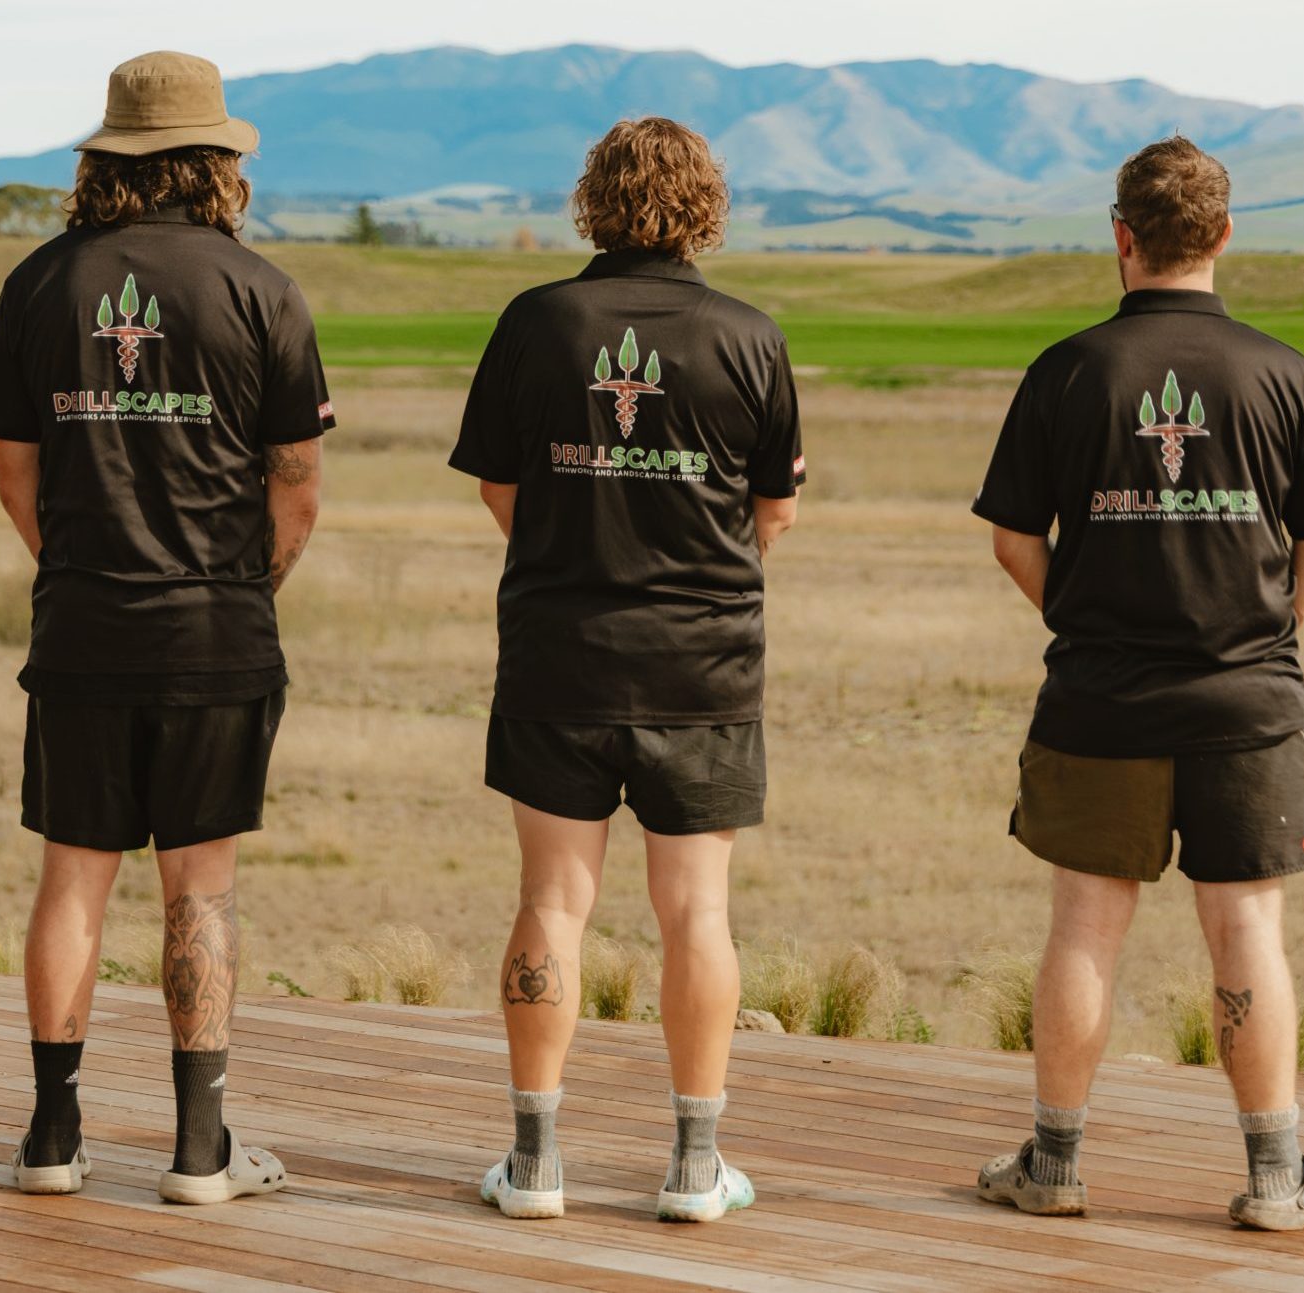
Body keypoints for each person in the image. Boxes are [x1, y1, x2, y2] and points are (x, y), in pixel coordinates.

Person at [970, 136, 1304, 1231]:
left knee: (1082, 930)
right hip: (1245, 704)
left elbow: (1013, 542)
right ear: (1223, 236)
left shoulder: (1067, 370)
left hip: (1097, 700)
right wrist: (1255, 640)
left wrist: (1087, 620)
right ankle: (1275, 1178)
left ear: (1120, 237)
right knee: (1246, 934)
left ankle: (1053, 1167)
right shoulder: (1283, 372)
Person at [0, 50, 330, 1206]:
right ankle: (199, 1149)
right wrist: (238, 589)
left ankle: (50, 1136)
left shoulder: (38, 283)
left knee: (71, 879)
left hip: (81, 620)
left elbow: (16, 477)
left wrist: (88, 568)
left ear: (109, 159)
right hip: (214, 628)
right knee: (201, 887)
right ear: (214, 162)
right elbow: (297, 487)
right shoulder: (259, 288)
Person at [449, 117, 803, 1224]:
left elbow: (500, 492)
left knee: (552, 899)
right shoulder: (747, 336)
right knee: (696, 912)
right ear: (709, 205)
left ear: (589, 199)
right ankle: (697, 1167)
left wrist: (574, 551)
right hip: (702, 668)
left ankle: (534, 1161)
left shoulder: (535, 322)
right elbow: (772, 513)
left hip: (560, 655)